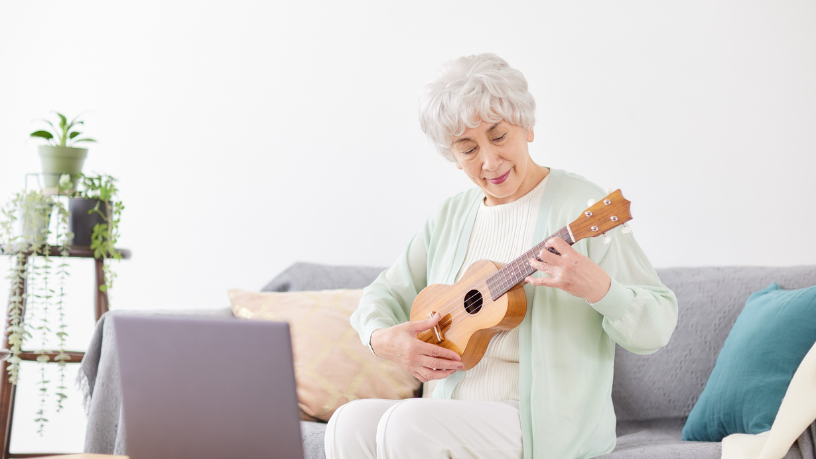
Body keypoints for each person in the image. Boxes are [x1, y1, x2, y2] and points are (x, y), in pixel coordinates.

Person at [324, 53, 679, 459]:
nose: (489, 162)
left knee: (409, 424)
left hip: (541, 423)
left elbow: (658, 324)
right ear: (452, 157)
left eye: (498, 136)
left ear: (527, 126)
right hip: (449, 410)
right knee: (347, 422)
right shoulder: (451, 216)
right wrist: (381, 339)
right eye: (467, 148)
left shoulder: (582, 207)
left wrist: (598, 288)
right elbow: (382, 294)